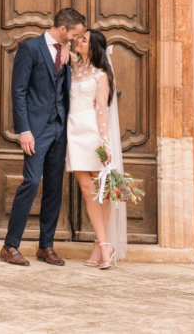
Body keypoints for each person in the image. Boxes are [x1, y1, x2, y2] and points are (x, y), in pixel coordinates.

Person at [0, 6, 87, 266]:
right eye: (74, 34)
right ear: (62, 29)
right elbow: (19, 92)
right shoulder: (30, 48)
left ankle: (45, 246)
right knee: (30, 182)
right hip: (36, 130)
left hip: (61, 129)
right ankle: (9, 246)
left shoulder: (68, 53)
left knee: (54, 187)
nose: (75, 38)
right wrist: (24, 130)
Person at [67, 29, 127, 269]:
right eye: (79, 38)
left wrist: (106, 144)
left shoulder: (101, 75)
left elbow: (102, 110)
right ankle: (103, 244)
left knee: (101, 190)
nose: (78, 41)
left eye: (83, 40)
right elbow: (59, 44)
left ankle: (101, 245)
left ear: (93, 48)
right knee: (86, 188)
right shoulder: (73, 66)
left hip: (93, 133)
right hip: (73, 133)